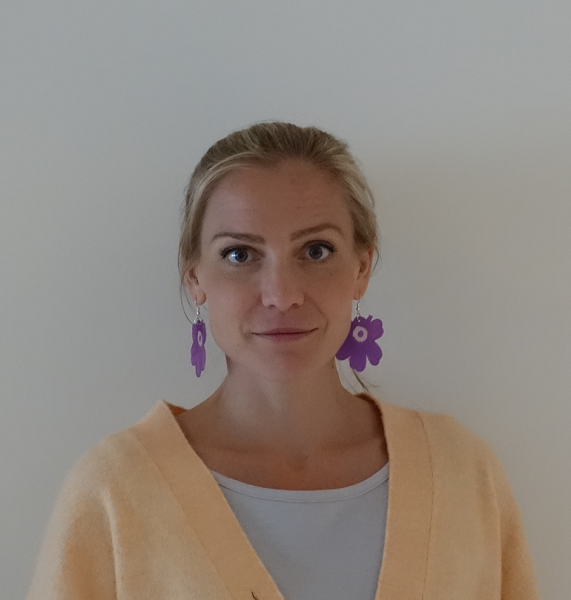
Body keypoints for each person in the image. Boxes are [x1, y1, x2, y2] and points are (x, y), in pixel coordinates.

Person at [25, 122, 539, 600]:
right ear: (195, 278)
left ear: (362, 268)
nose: (282, 294)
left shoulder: (461, 472)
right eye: (239, 254)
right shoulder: (114, 493)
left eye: (316, 251)